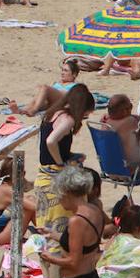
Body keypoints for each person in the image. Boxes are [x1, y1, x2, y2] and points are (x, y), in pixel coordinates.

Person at [34, 84, 96, 228]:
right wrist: (61, 163)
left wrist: (71, 156)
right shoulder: (68, 119)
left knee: (46, 222)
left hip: (43, 172)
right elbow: (51, 141)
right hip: (54, 176)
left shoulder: (53, 113)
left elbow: (49, 144)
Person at [0, 161, 39, 245]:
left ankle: (44, 230)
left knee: (29, 199)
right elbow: (35, 207)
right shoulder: (6, 190)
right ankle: (46, 232)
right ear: (22, 173)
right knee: (27, 208)